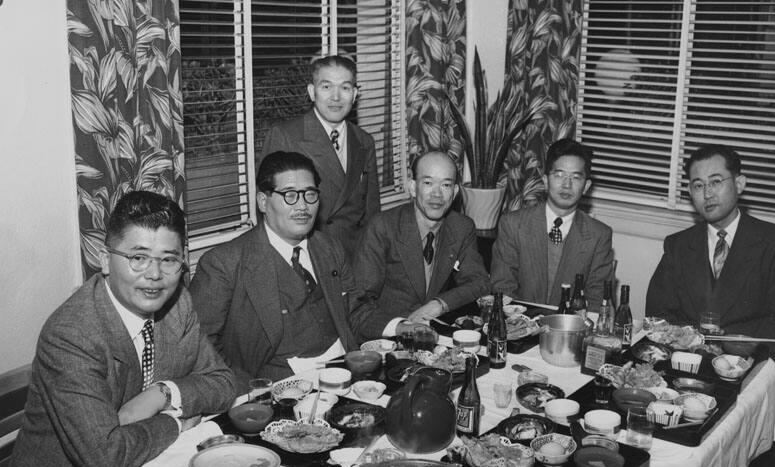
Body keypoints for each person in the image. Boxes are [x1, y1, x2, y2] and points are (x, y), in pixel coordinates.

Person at [0, 192, 237, 467]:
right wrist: (176, 420)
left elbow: (222, 382)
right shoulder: (71, 335)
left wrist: (163, 394)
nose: (154, 275)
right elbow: (105, 460)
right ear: (105, 260)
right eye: (138, 257)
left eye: (169, 260)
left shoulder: (178, 305)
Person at [190, 151, 370, 389]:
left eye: (310, 194)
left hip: (345, 370)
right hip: (276, 386)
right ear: (263, 202)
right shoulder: (224, 263)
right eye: (290, 195)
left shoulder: (329, 247)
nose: (303, 206)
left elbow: (355, 310)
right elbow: (200, 347)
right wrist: (251, 391)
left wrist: (399, 326)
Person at [646, 143, 775, 362]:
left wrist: (731, 360)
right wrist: (690, 346)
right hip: (687, 362)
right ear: (690, 192)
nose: (708, 193)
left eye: (716, 182)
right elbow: (658, 316)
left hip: (750, 366)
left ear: (739, 184)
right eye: (698, 185)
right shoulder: (678, 245)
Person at [352, 151, 489, 340]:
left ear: (455, 192)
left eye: (446, 185)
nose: (437, 194)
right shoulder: (383, 227)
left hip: (436, 338)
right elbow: (358, 306)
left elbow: (479, 282)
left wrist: (439, 304)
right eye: (428, 183)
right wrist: (402, 328)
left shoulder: (461, 227)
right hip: (387, 339)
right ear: (412, 187)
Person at [260, 55, 378, 258]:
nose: (336, 97)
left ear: (355, 94)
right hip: (308, 256)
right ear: (312, 92)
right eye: (326, 87)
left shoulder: (364, 141)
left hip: (354, 257)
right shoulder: (286, 136)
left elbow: (372, 214)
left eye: (345, 87)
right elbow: (268, 210)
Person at [491, 138, 614, 311]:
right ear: (546, 180)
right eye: (559, 175)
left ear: (586, 186)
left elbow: (597, 301)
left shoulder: (599, 235)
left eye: (575, 177)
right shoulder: (513, 224)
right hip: (519, 328)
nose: (566, 184)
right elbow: (503, 289)